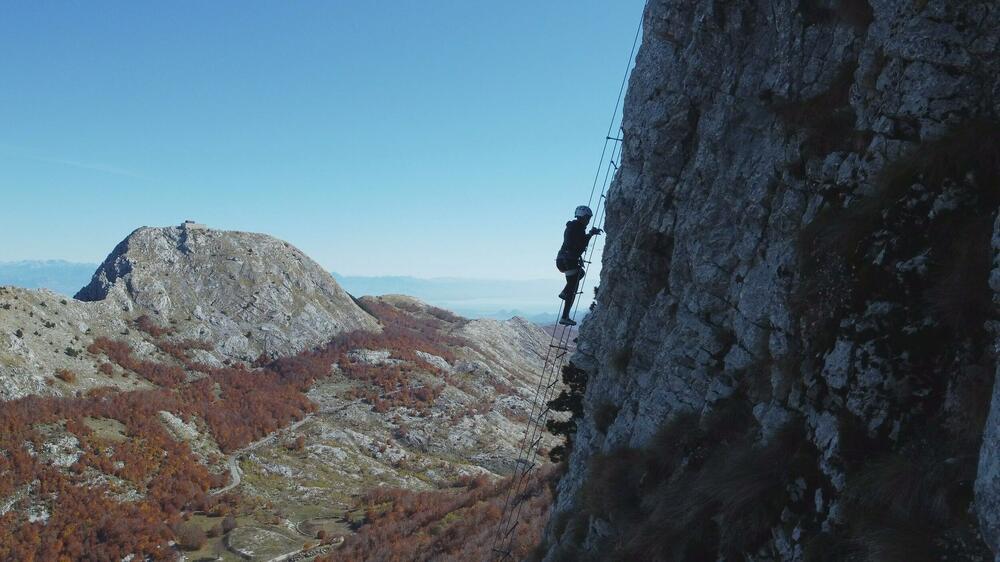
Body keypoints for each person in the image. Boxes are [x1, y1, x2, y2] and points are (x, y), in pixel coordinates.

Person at [556, 205, 602, 326]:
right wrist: (591, 234)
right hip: (569, 260)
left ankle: (565, 309)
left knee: (573, 285)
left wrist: (589, 234)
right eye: (587, 217)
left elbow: (576, 243)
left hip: (562, 259)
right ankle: (565, 301)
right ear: (582, 216)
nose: (588, 220)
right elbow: (580, 244)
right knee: (576, 281)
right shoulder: (578, 227)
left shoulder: (573, 227)